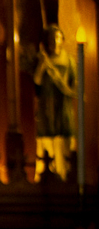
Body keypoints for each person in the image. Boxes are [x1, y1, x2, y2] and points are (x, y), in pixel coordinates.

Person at [33, 25, 77, 180]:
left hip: (63, 106)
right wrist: (43, 66)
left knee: (64, 136)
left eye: (57, 37)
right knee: (47, 137)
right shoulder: (43, 59)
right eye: (51, 38)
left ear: (62, 40)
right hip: (47, 105)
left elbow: (75, 84)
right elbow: (37, 81)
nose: (55, 41)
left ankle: (65, 173)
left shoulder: (69, 60)